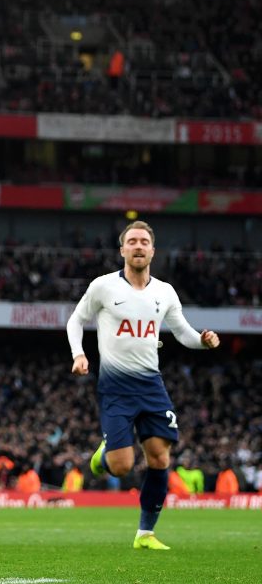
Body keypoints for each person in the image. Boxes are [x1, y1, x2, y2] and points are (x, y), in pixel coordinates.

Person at [67, 220, 220, 551]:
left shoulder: (164, 292)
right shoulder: (104, 287)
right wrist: (79, 354)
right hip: (116, 387)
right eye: (132, 241)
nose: (138, 246)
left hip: (151, 386)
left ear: (152, 250)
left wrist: (203, 340)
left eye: (144, 241)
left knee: (160, 458)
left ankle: (145, 534)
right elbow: (76, 320)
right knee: (121, 467)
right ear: (122, 250)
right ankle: (103, 456)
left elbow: (182, 332)